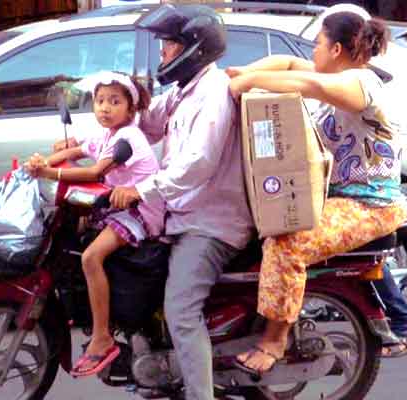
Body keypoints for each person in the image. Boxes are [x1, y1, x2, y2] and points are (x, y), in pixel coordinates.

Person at [228, 10, 407, 375]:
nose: (313, 53)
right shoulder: (337, 73)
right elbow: (291, 63)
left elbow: (310, 85)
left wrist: (244, 83)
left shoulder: (361, 83)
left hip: (369, 204)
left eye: (319, 45)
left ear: (337, 48)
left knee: (289, 240)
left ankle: (275, 339)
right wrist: (237, 73)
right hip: (336, 195)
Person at [108, 5, 254, 399]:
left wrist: (144, 189)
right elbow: (146, 123)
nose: (163, 53)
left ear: (194, 47)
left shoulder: (213, 95)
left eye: (169, 44)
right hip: (182, 214)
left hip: (210, 223)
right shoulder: (182, 90)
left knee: (181, 311)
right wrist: (102, 126)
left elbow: (198, 163)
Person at [27, 72, 164, 377]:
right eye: (100, 101)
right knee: (76, 235)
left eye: (115, 102)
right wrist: (41, 163)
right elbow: (76, 151)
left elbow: (95, 172)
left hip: (139, 211)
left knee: (91, 257)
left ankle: (103, 337)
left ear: (131, 110)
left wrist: (51, 174)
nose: (105, 107)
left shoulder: (127, 138)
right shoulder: (105, 135)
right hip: (117, 207)